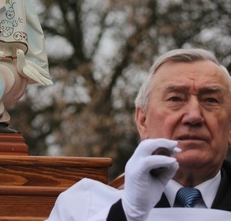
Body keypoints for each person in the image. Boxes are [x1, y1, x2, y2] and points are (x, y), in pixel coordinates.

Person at [46, 47, 231, 220]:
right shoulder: (85, 206)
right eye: (175, 99)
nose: (194, 116)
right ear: (143, 121)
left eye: (210, 100)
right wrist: (126, 213)